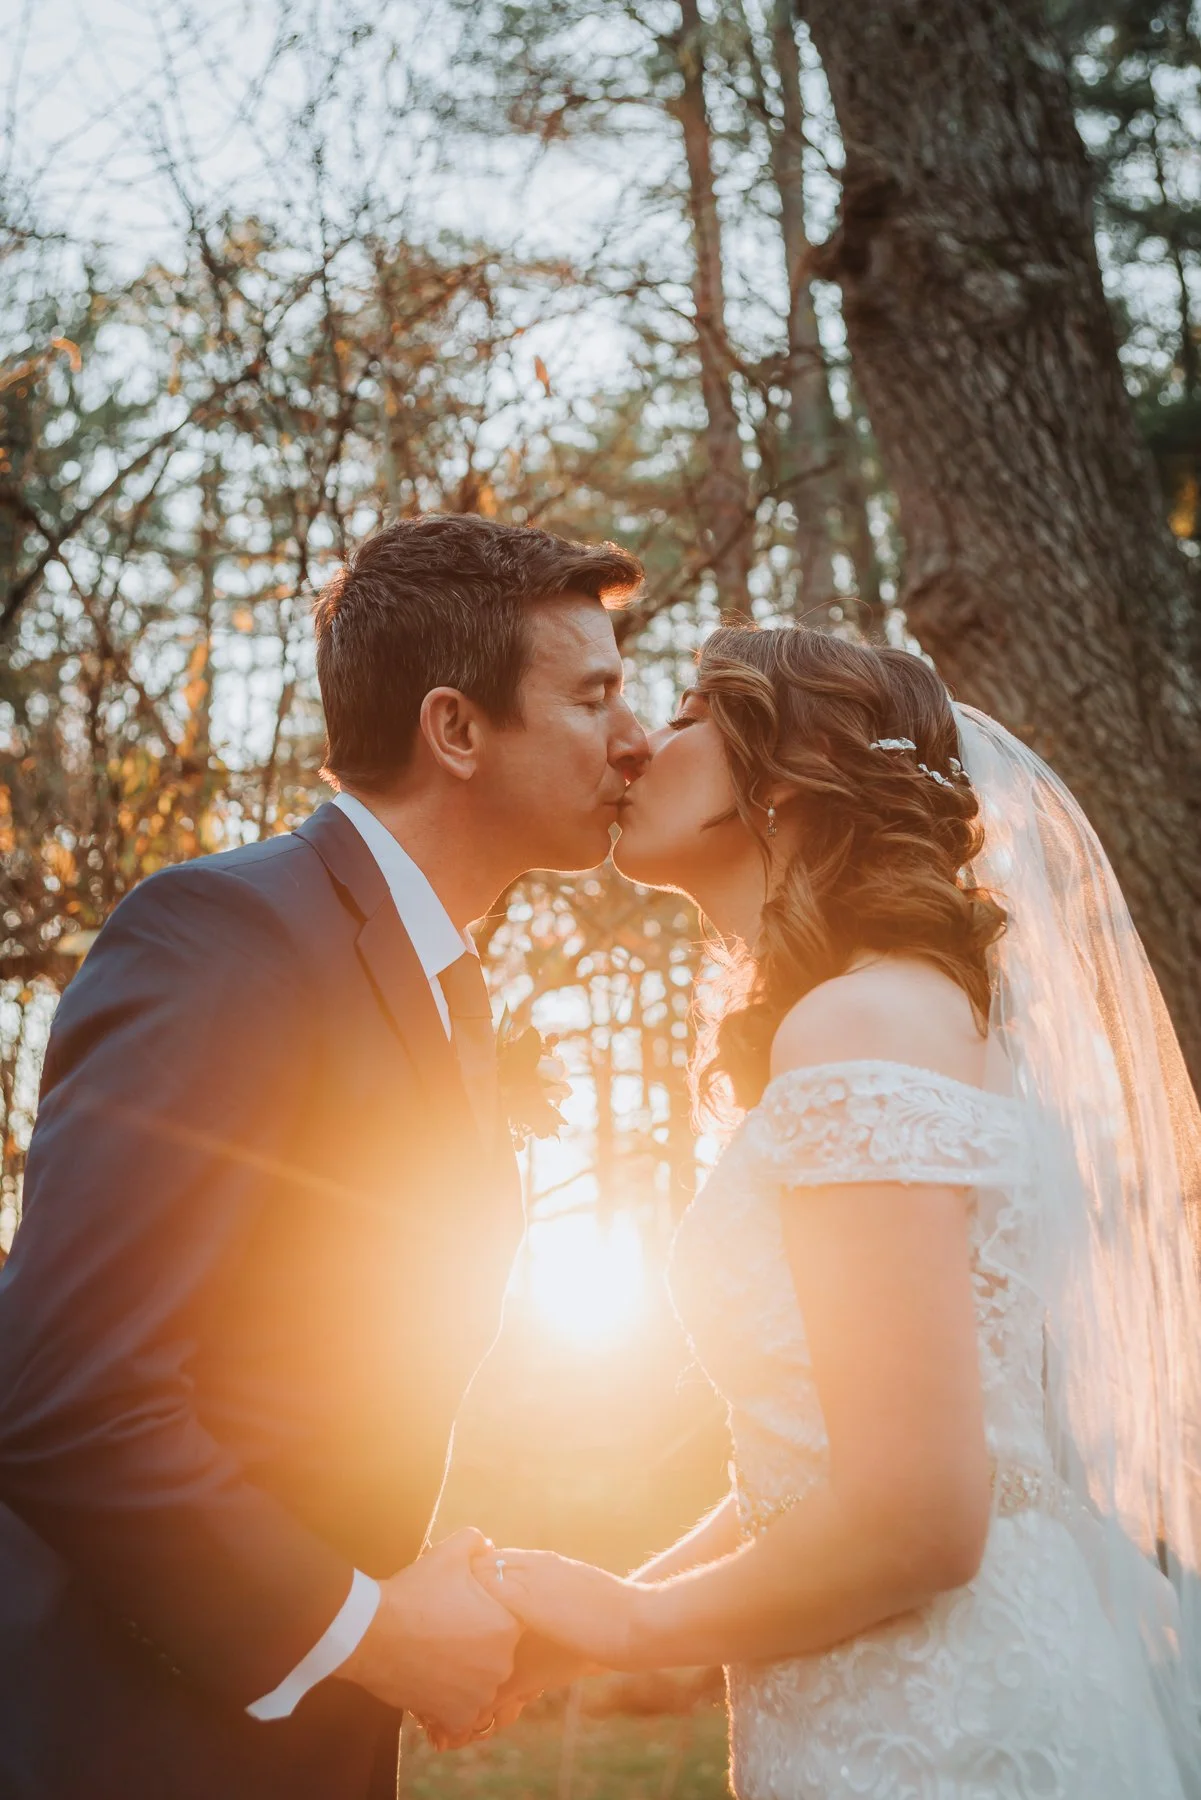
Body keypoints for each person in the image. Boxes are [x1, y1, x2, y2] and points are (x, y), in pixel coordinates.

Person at [476, 624, 1201, 1799]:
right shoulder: (893, 1018)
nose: (641, 748)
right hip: (929, 1684)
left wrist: (629, 1626)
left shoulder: (858, 1027)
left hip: (943, 1725)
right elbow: (827, 1465)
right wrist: (609, 1612)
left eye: (689, 714)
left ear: (790, 776)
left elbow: (915, 1522)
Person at [0, 514, 649, 1800]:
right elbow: (62, 1393)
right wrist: (368, 1628)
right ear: (454, 731)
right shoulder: (225, 933)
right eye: (595, 697)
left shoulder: (440, 987)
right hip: (124, 1741)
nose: (635, 741)